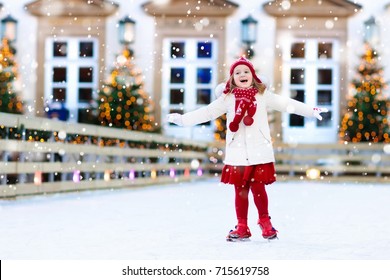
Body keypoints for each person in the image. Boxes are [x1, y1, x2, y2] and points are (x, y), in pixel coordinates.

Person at [167, 57, 327, 241]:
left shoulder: (262, 95)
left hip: (259, 150)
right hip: (237, 152)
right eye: (237, 72)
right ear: (232, 79)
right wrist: (183, 120)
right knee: (240, 190)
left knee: (259, 188)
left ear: (253, 76)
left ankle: (265, 222)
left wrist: (310, 111)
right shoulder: (227, 99)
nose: (242, 75)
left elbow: (285, 103)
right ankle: (242, 226)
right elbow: (207, 112)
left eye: (246, 72)